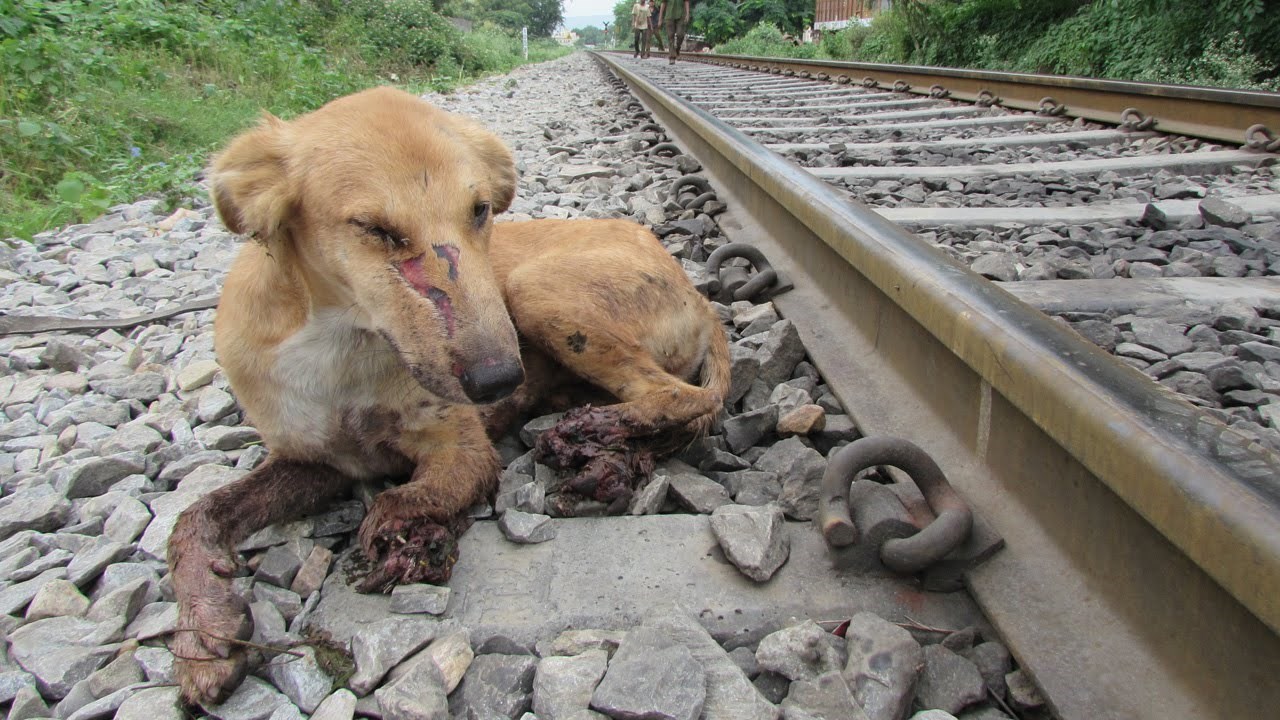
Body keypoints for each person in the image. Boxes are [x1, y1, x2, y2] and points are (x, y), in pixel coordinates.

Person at [658, 0, 691, 64]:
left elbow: (686, 2)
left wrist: (687, 14)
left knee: (680, 34)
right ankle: (671, 57)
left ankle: (677, 49)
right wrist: (660, 18)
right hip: (669, 16)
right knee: (670, 36)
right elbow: (663, 3)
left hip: (681, 16)